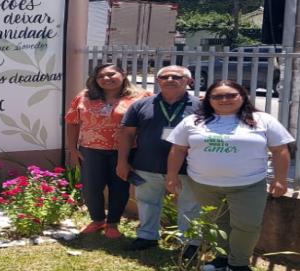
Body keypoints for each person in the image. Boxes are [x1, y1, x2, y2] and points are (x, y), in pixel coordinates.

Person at [166, 80, 293, 271]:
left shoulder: (263, 120)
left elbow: (280, 150)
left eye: (231, 95)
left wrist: (280, 179)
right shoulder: (192, 121)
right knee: (217, 223)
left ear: (242, 96)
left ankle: (239, 263)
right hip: (203, 184)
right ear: (208, 99)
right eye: (217, 96)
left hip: (248, 184)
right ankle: (221, 259)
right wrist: (172, 175)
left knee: (247, 225)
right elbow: (178, 149)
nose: (224, 99)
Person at [118, 65, 201, 256]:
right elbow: (127, 134)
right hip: (147, 165)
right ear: (158, 81)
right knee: (147, 202)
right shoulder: (141, 105)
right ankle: (147, 237)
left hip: (187, 168)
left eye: (176, 77)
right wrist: (122, 161)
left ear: (189, 81)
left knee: (189, 205)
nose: (170, 80)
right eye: (165, 77)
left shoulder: (202, 107)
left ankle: (190, 244)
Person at [65, 63, 149, 239]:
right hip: (90, 150)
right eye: (100, 76)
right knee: (91, 188)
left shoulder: (141, 97)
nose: (106, 78)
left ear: (123, 74)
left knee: (119, 187)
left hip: (125, 151)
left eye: (111, 74)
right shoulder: (84, 96)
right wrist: (72, 148)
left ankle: (112, 224)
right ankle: (97, 220)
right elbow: (72, 122)